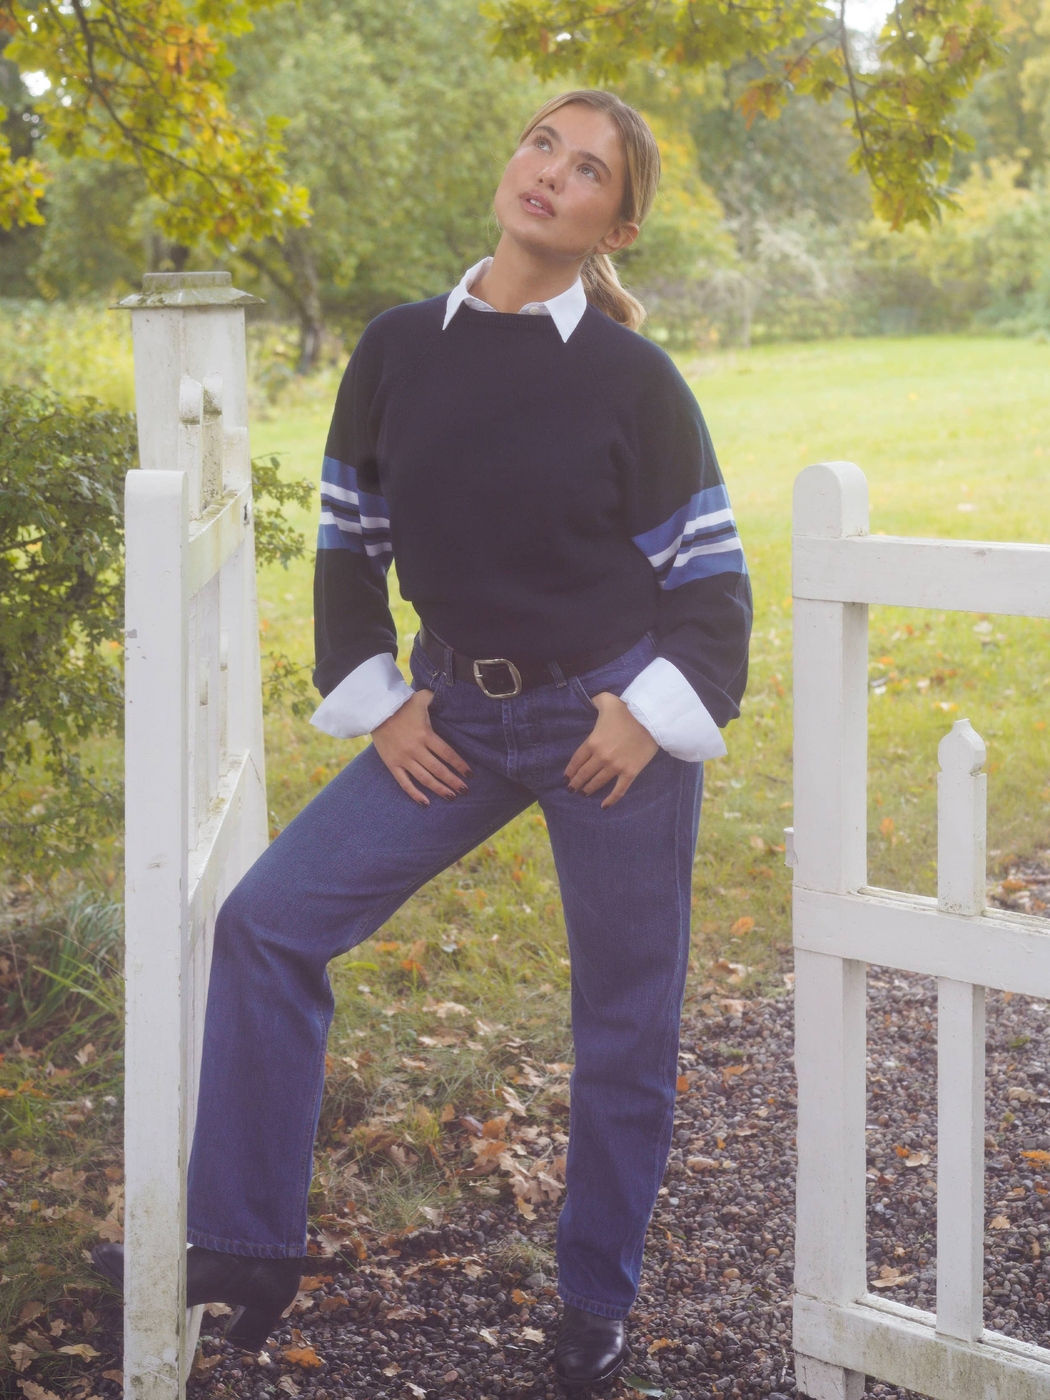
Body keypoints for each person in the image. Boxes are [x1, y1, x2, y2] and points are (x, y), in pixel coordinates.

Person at [94, 89, 751, 1390]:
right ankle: (245, 1242)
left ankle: (594, 1303)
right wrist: (384, 700)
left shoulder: (634, 380)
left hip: (606, 724)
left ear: (615, 226)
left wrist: (648, 715)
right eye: (542, 144)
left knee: (623, 1022)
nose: (550, 172)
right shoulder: (399, 348)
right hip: (449, 717)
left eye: (588, 170)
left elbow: (711, 578)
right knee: (269, 922)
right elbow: (349, 540)